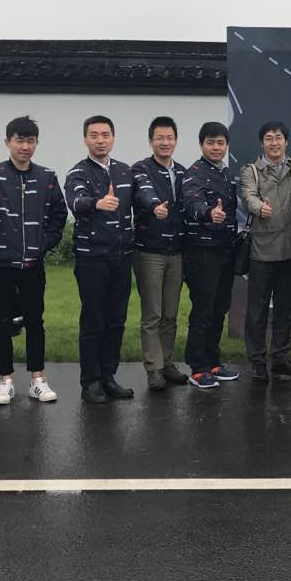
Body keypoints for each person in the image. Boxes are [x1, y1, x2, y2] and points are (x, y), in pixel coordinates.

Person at [0, 115, 67, 405]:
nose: (25, 146)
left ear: (36, 143)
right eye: (19, 140)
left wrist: (45, 243)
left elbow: (59, 214)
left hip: (33, 264)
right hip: (0, 262)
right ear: (8, 142)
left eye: (30, 141)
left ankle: (38, 380)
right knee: (1, 322)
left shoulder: (47, 177)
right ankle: (5, 381)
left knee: (35, 321)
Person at [65, 115, 137, 404]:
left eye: (105, 135)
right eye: (94, 135)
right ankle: (91, 381)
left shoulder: (124, 171)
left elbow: (140, 201)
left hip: (122, 257)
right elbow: (75, 202)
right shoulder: (78, 173)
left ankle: (109, 376)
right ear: (85, 139)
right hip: (92, 259)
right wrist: (97, 202)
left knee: (116, 320)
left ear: (113, 138)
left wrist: (156, 207)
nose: (100, 140)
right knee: (93, 320)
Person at [239, 120, 291, 383]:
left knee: (285, 309)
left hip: (290, 251)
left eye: (278, 137)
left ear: (286, 141)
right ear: (262, 143)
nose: (274, 142)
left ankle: (280, 358)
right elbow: (248, 196)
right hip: (262, 251)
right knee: (257, 311)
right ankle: (257, 361)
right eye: (269, 138)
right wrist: (259, 208)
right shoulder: (251, 171)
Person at [130, 116, 190, 391]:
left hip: (176, 251)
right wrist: (155, 206)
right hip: (149, 251)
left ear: (176, 140)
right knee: (152, 314)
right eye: (159, 138)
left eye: (170, 138)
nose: (165, 143)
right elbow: (144, 192)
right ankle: (153, 368)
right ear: (151, 141)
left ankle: (166, 363)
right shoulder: (140, 169)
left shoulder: (183, 172)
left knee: (170, 314)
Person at [180, 121, 240, 390]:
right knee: (203, 310)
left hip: (224, 250)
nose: (216, 147)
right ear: (201, 144)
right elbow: (192, 203)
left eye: (220, 143)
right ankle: (198, 367)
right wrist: (208, 213)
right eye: (211, 142)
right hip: (201, 252)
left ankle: (213, 362)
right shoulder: (194, 173)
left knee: (219, 308)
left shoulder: (226, 172)